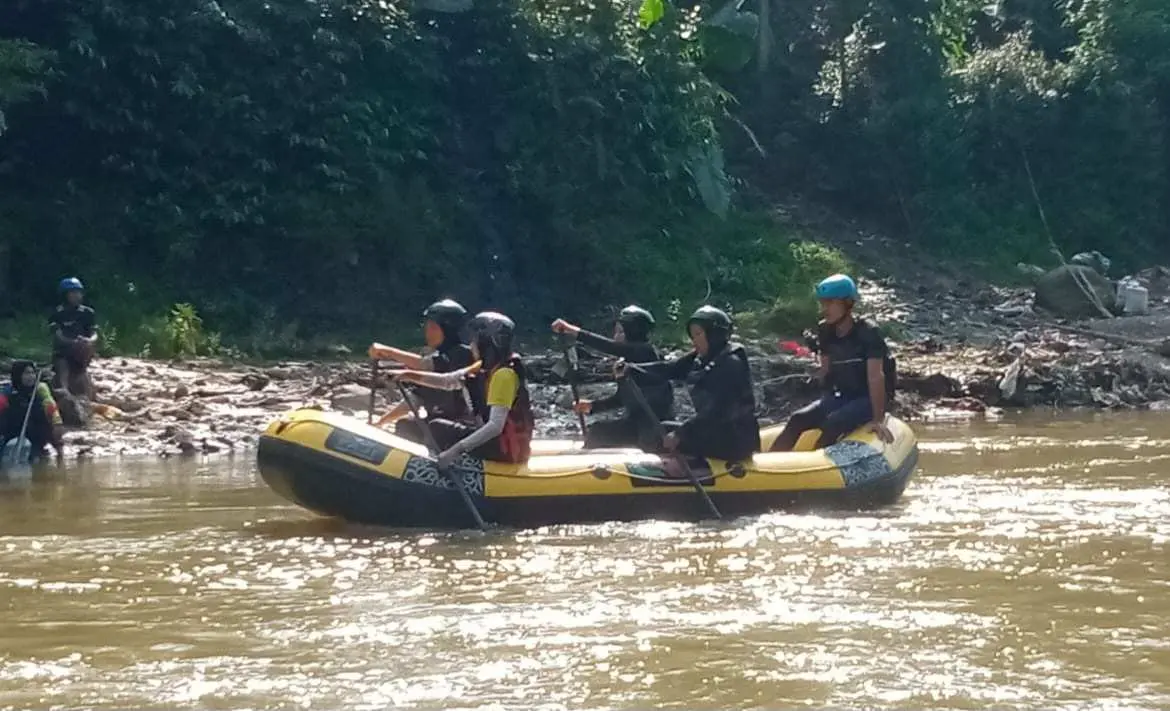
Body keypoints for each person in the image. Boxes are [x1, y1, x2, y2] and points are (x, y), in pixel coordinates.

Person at [769, 274, 895, 452]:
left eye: (830, 303)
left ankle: (815, 462)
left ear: (847, 304)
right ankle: (771, 461)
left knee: (833, 423)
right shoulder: (825, 330)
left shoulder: (868, 333)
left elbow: (876, 377)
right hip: (843, 396)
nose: (824, 309)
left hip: (866, 399)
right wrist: (816, 377)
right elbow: (825, 369)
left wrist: (878, 419)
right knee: (798, 418)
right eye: (822, 303)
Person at [618, 306, 759, 462]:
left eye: (698, 334)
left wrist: (681, 433)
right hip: (714, 430)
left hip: (734, 439)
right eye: (692, 335)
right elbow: (671, 369)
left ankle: (685, 469)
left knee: (669, 436)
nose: (694, 340)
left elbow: (716, 411)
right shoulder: (703, 357)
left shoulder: (731, 364)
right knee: (660, 430)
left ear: (714, 335)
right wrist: (633, 369)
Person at [392, 311, 534, 465]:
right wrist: (407, 375)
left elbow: (495, 427)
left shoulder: (504, 375)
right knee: (417, 425)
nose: (471, 345)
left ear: (486, 344)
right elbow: (447, 381)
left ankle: (442, 465)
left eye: (475, 341)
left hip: (507, 449)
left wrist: (455, 451)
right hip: (497, 442)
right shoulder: (483, 368)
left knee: (437, 428)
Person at [550, 305, 673, 450]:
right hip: (637, 424)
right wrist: (593, 406)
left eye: (620, 332)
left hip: (655, 429)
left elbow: (610, 346)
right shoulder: (627, 363)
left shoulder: (646, 352)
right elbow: (622, 398)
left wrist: (572, 330)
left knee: (598, 433)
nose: (615, 337)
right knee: (598, 431)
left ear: (633, 331)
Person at [368, 299, 477, 441]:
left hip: (460, 428)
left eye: (433, 328)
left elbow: (426, 365)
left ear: (448, 330)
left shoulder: (463, 355)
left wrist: (388, 351)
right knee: (405, 425)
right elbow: (414, 400)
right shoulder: (439, 357)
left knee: (435, 428)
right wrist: (380, 422)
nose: (428, 332)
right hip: (437, 423)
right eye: (427, 327)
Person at [0, 361, 65, 463]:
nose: (31, 376)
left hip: (36, 437)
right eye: (27, 373)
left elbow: (53, 412)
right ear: (18, 375)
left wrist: (59, 450)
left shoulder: (41, 390)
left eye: (33, 373)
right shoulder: (7, 392)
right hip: (12, 437)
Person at [49, 277, 99, 400]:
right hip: (63, 351)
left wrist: (89, 341)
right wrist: (72, 342)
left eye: (79, 292)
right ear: (65, 295)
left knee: (84, 358)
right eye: (73, 293)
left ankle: (87, 393)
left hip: (82, 351)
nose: (77, 296)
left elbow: (94, 334)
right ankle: (64, 391)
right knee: (63, 364)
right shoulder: (57, 313)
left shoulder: (88, 312)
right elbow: (58, 335)